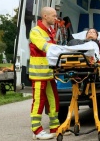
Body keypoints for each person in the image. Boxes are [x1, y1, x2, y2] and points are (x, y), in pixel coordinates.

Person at [29, 7, 61, 140]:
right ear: (45, 16)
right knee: (39, 102)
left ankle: (55, 128)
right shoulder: (36, 31)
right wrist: (59, 50)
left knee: (54, 100)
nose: (56, 18)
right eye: (53, 16)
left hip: (48, 73)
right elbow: (44, 46)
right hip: (38, 74)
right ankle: (36, 131)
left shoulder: (50, 31)